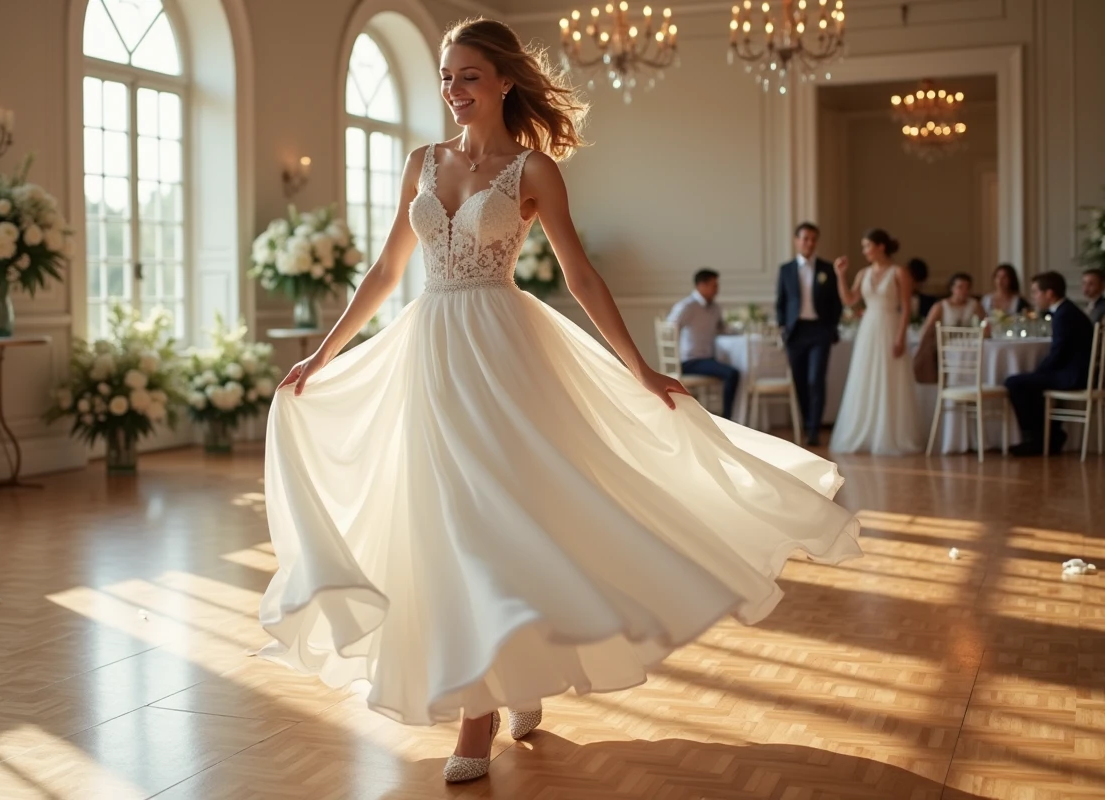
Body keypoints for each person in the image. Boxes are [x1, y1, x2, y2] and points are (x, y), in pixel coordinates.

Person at [257, 18, 861, 784]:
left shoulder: (534, 171)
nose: (453, 90)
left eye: (468, 75)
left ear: (505, 80)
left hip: (502, 351)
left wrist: (641, 369)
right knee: (441, 519)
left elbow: (580, 277)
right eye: (446, 77)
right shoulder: (421, 162)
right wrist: (322, 353)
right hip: (428, 350)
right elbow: (384, 273)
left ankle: (479, 711)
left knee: (494, 517)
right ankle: (510, 676)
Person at [828, 229, 925, 455]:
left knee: (890, 379)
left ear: (881, 246)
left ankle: (891, 435)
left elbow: (906, 309)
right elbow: (849, 300)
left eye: (867, 246)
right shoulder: (863, 273)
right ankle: (865, 433)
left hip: (890, 327)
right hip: (868, 330)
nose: (864, 251)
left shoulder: (899, 272)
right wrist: (840, 275)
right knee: (865, 377)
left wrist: (901, 337)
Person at [1005, 271, 1095, 455]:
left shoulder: (1063, 315)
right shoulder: (1067, 310)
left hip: (1074, 376)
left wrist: (1038, 372)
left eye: (1036, 292)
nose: (1033, 297)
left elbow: (1058, 353)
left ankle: (1036, 438)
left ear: (1050, 293)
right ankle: (1050, 435)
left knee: (1014, 383)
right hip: (1076, 371)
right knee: (1029, 383)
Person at [775, 222, 842, 446]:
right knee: (800, 381)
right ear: (797, 240)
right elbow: (781, 302)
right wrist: (783, 326)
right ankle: (805, 423)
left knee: (816, 380)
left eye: (813, 239)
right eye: (805, 238)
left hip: (819, 331)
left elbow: (836, 302)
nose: (809, 243)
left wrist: (831, 327)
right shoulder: (785, 269)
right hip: (796, 332)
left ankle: (814, 429)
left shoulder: (827, 268)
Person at [667, 269, 739, 419]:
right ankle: (728, 419)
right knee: (732, 373)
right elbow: (670, 329)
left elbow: (721, 328)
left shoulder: (715, 308)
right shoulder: (687, 306)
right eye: (714, 286)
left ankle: (726, 417)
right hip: (690, 361)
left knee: (734, 368)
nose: (717, 290)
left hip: (708, 358)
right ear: (701, 285)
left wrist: (737, 330)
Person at [913, 273, 986, 384]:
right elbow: (927, 329)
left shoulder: (974, 305)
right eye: (960, 287)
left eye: (967, 287)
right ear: (952, 288)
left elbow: (985, 323)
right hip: (945, 350)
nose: (964, 291)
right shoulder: (941, 306)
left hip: (969, 348)